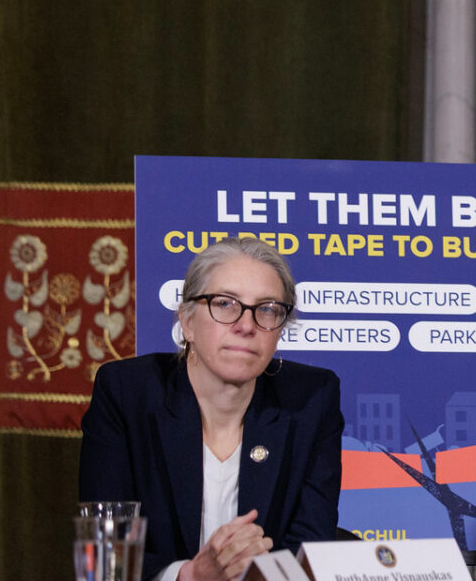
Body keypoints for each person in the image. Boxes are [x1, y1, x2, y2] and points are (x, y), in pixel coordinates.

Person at [80, 238, 343, 581]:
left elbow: (310, 549)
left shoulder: (312, 400)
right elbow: (106, 555)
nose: (246, 325)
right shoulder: (127, 394)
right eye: (224, 303)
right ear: (187, 322)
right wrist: (189, 575)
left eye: (266, 309)